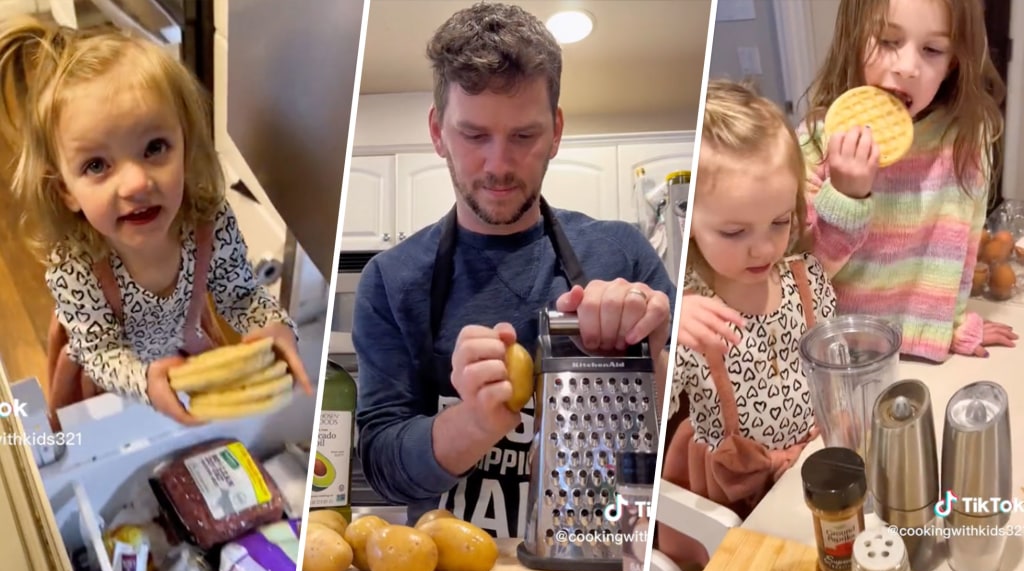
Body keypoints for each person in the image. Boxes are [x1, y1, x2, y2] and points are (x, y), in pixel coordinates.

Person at [352, 2, 676, 538]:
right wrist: (473, 423)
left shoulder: (622, 255)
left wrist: (655, 355)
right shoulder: (391, 281)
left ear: (555, 131)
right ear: (438, 133)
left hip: (595, 563)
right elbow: (382, 466)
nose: (499, 165)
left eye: (523, 136)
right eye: (474, 136)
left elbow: (677, 437)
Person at [0, 17, 312, 426]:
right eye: (97, 165)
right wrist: (145, 380)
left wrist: (274, 324)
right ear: (65, 190)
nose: (135, 183)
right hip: (108, 381)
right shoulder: (73, 263)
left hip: (186, 355)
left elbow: (242, 296)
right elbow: (100, 352)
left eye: (155, 147)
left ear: (186, 143)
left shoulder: (209, 223)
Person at [658, 80, 837, 569]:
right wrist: (670, 328)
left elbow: (838, 374)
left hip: (812, 487)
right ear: (690, 220)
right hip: (726, 507)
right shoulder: (692, 316)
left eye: (780, 222)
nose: (764, 249)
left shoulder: (808, 282)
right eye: (735, 232)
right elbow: (646, 420)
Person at [799, 0, 1017, 362]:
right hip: (838, 357)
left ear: (953, 63)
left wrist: (953, 323)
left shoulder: (966, 142)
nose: (907, 67)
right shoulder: (817, 141)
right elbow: (803, 275)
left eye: (933, 49)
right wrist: (845, 196)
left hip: (923, 356)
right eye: (887, 41)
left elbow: (961, 249)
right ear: (853, 37)